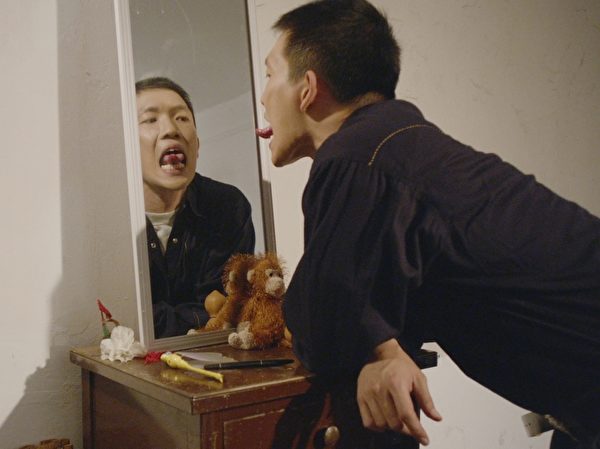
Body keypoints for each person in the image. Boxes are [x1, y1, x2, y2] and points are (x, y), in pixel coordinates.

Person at [257, 1, 600, 448]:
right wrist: (383, 350)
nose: (263, 97)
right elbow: (348, 294)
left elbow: (321, 320)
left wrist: (376, 348)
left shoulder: (359, 157)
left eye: (270, 74)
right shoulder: (397, 144)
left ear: (307, 88)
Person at [136, 77, 255, 338]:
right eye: (150, 119)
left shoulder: (227, 206)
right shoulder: (109, 217)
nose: (171, 130)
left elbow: (223, 307)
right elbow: (121, 312)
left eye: (181, 118)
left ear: (197, 146)